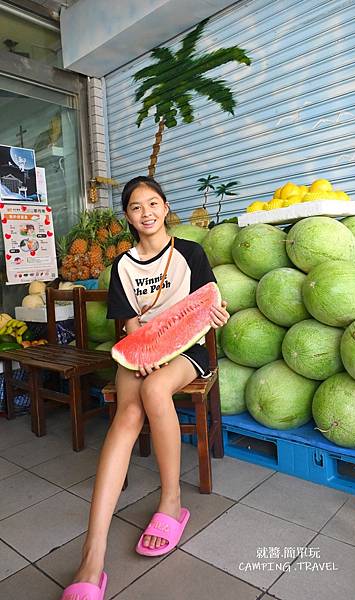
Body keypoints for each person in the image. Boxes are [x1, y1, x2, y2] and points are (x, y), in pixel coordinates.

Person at [61, 176, 229, 599]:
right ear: (129, 217)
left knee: (156, 391)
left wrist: (216, 316)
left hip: (189, 353)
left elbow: (205, 305)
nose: (147, 212)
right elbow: (131, 326)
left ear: (166, 207)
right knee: (128, 414)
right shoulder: (122, 265)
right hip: (141, 349)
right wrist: (148, 348)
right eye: (137, 207)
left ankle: (171, 501)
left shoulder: (191, 253)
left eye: (154, 203)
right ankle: (92, 553)